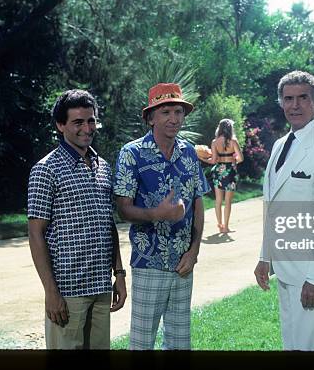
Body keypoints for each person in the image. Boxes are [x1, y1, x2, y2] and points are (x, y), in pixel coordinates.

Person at [253, 71, 314, 351]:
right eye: (288, 98)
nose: (294, 105)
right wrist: (264, 256)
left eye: (302, 98)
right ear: (281, 102)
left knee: (311, 346)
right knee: (292, 345)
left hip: (308, 271)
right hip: (283, 268)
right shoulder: (281, 145)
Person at [114, 83, 210, 350]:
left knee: (180, 344)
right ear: (151, 117)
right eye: (166, 111)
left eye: (178, 111)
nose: (174, 118)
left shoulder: (189, 153)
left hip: (183, 265)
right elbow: (123, 208)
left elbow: (198, 201)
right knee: (142, 343)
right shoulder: (131, 154)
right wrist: (158, 214)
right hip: (149, 264)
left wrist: (194, 251)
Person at [27, 89, 126, 349]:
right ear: (61, 125)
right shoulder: (45, 169)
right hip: (67, 292)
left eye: (91, 120)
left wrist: (120, 274)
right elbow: (35, 233)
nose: (87, 128)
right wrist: (51, 291)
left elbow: (108, 224)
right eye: (78, 122)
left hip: (102, 287)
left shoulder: (103, 166)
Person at [197, 119, 244, 233]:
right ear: (230, 128)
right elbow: (241, 158)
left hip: (218, 170)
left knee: (218, 200)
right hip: (230, 171)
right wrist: (234, 160)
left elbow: (213, 161)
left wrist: (201, 158)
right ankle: (226, 227)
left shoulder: (214, 142)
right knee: (228, 201)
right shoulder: (233, 141)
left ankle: (220, 225)